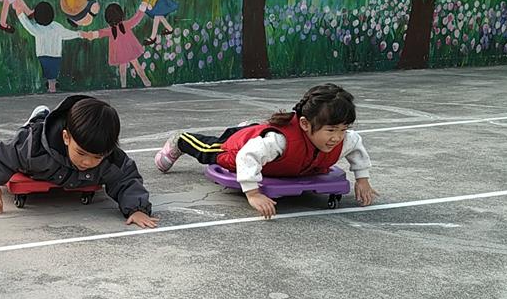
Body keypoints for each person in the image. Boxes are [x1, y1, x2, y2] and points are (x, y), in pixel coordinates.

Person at [154, 83, 379, 218]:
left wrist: (363, 179)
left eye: (343, 129)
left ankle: (250, 127)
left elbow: (356, 146)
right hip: (241, 147)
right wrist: (253, 194)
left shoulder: (345, 139)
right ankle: (180, 140)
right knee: (211, 150)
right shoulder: (280, 141)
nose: (338, 137)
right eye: (331, 130)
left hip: (273, 149)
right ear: (304, 124)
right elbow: (247, 156)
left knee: (261, 137)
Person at [0, 95, 158, 228]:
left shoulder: (109, 156)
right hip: (40, 131)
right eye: (81, 153)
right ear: (66, 137)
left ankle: (44, 117)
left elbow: (126, 177)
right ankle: (39, 116)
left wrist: (137, 209)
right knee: (31, 128)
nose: (87, 162)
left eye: (97, 157)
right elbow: (5, 153)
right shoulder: (33, 146)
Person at [16, 1, 83, 94]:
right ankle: (52, 87)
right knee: (52, 76)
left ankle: (50, 87)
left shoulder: (36, 28)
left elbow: (27, 24)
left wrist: (20, 14)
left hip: (42, 56)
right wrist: (79, 34)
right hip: (56, 57)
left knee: (45, 73)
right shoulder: (56, 26)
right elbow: (67, 34)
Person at [82, 2, 152, 88]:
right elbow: (136, 19)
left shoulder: (110, 30)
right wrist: (142, 8)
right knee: (137, 66)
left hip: (121, 54)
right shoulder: (125, 25)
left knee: (123, 70)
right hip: (130, 51)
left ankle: (124, 86)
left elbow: (99, 33)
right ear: (121, 15)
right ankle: (146, 82)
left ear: (108, 19)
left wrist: (89, 35)